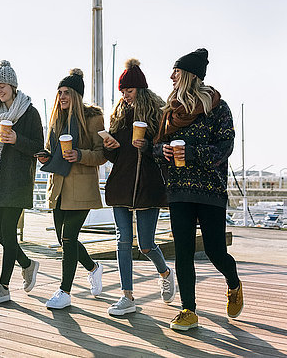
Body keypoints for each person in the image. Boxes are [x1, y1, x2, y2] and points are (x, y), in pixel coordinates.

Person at [153, 48, 243, 330]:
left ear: (189, 75)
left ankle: (233, 281)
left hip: (210, 192)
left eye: (176, 72)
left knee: (216, 251)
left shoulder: (218, 108)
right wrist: (162, 151)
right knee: (182, 252)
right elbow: (155, 147)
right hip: (179, 190)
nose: (171, 76)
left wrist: (192, 152)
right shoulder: (170, 111)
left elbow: (224, 147)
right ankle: (188, 310)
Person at [102, 59, 176, 316]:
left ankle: (165, 272)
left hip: (148, 186)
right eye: (122, 91)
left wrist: (147, 147)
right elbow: (114, 156)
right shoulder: (119, 115)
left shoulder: (158, 114)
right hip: (121, 184)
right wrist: (108, 147)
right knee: (123, 240)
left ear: (140, 90)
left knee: (146, 244)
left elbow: (164, 151)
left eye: (129, 91)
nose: (124, 96)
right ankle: (127, 296)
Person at [38, 68, 107, 309]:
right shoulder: (56, 119)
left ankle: (64, 291)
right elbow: (49, 149)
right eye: (59, 92)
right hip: (58, 187)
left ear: (77, 94)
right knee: (63, 238)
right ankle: (93, 267)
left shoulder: (92, 118)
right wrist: (44, 157)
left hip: (82, 189)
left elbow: (102, 154)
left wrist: (79, 154)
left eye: (66, 92)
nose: (62, 96)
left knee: (68, 238)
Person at [0, 60, 44, 304]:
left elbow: (38, 147)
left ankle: (3, 286)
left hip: (16, 182)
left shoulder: (29, 113)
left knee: (8, 232)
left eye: (3, 84)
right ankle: (27, 264)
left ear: (13, 86)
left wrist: (17, 139)